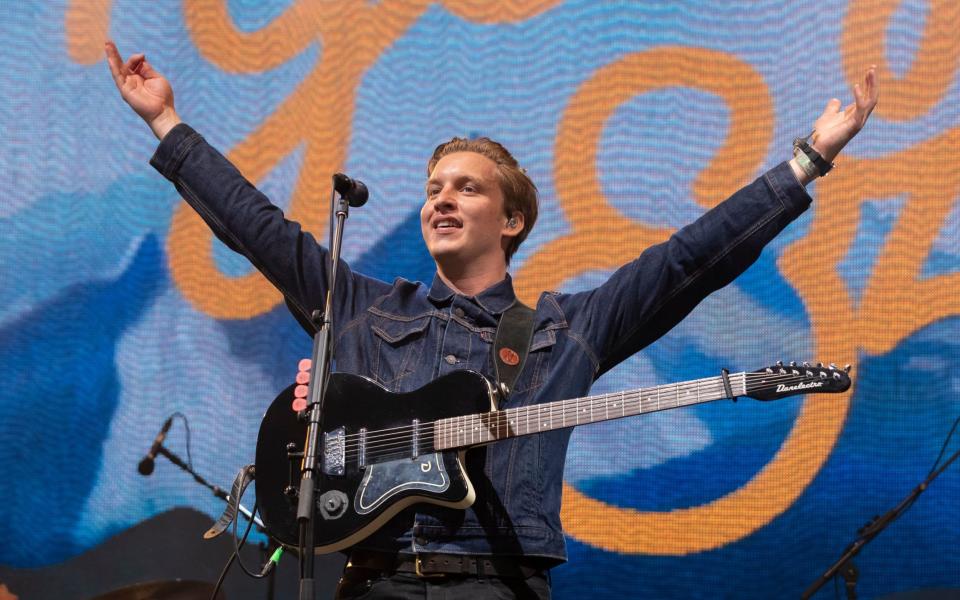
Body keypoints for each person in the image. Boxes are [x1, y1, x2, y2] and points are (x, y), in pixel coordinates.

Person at [105, 40, 878, 599]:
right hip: (377, 581)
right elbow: (255, 227)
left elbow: (688, 262)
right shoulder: (366, 308)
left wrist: (807, 159)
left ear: (511, 220)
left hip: (498, 585)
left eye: (466, 189)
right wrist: (167, 123)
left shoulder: (562, 332)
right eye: (435, 186)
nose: (441, 198)